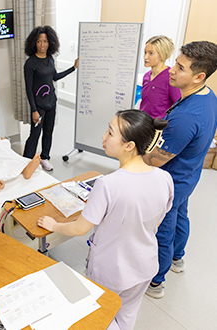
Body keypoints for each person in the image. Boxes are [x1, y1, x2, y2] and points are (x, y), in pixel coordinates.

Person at [38, 110, 173, 330]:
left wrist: (54, 225)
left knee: (102, 317)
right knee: (127, 315)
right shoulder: (164, 178)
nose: (103, 137)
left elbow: (80, 228)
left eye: (110, 133)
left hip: (113, 271)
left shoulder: (108, 185)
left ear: (129, 145)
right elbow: (156, 221)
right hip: (145, 265)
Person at [143, 41, 217, 299]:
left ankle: (156, 281)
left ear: (199, 76)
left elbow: (154, 161)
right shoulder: (208, 96)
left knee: (164, 227)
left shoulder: (186, 117)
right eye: (175, 62)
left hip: (171, 182)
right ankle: (178, 259)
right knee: (181, 216)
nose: (172, 70)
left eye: (180, 67)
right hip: (189, 175)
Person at [22, 25, 78, 171]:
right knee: (34, 135)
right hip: (38, 106)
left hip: (51, 103)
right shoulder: (30, 63)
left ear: (50, 43)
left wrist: (73, 68)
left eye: (45, 41)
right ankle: (25, 162)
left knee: (48, 132)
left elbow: (54, 77)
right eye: (39, 41)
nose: (42, 45)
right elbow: (29, 89)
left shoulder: (50, 59)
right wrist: (34, 110)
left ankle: (45, 158)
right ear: (34, 43)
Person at [140, 35, 181, 119]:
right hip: (143, 123)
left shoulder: (171, 78)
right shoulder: (146, 76)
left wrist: (162, 120)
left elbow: (178, 105)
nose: (145, 57)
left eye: (151, 53)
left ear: (162, 55)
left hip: (158, 126)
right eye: (145, 52)